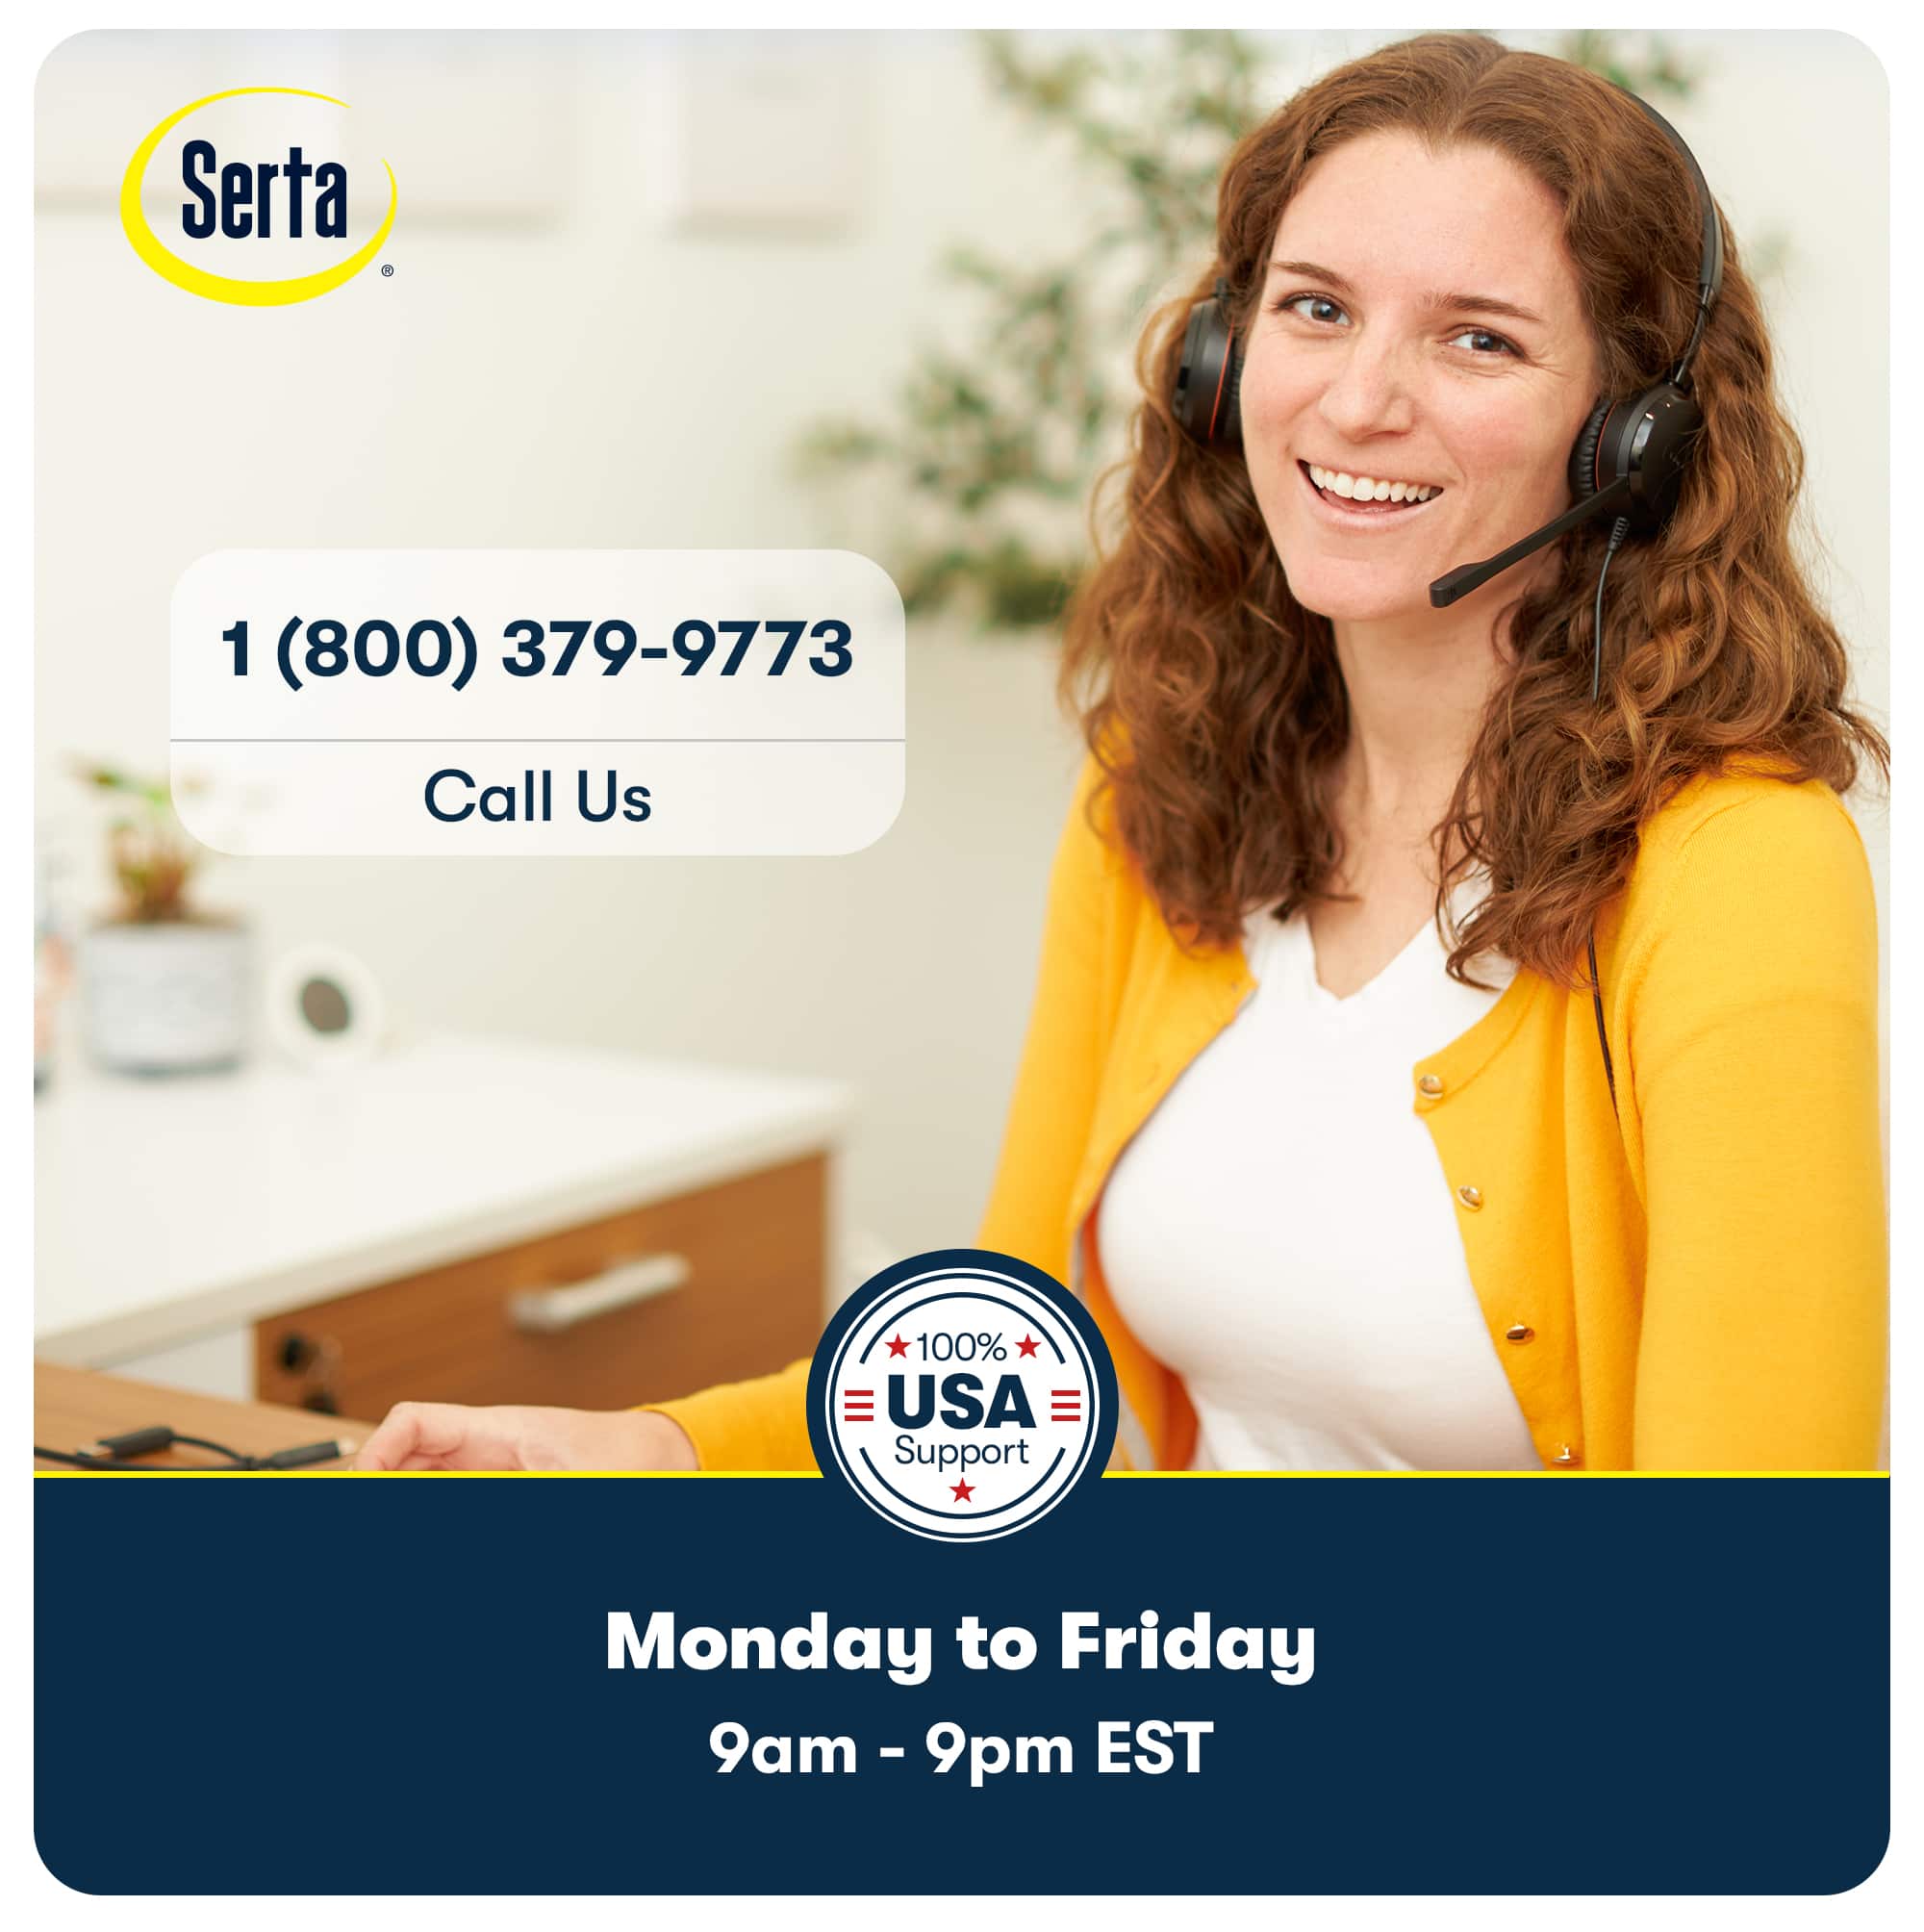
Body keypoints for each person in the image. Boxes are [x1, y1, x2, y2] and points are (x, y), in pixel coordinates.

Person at [354, 32, 1886, 1476]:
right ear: (1222, 360)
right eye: (1315, 307)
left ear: (1637, 437)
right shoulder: (1170, 783)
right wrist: (653, 1450)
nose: (1358, 401)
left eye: (1477, 340)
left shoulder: (1736, 868)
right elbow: (1028, 1354)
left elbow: (1753, 1576)